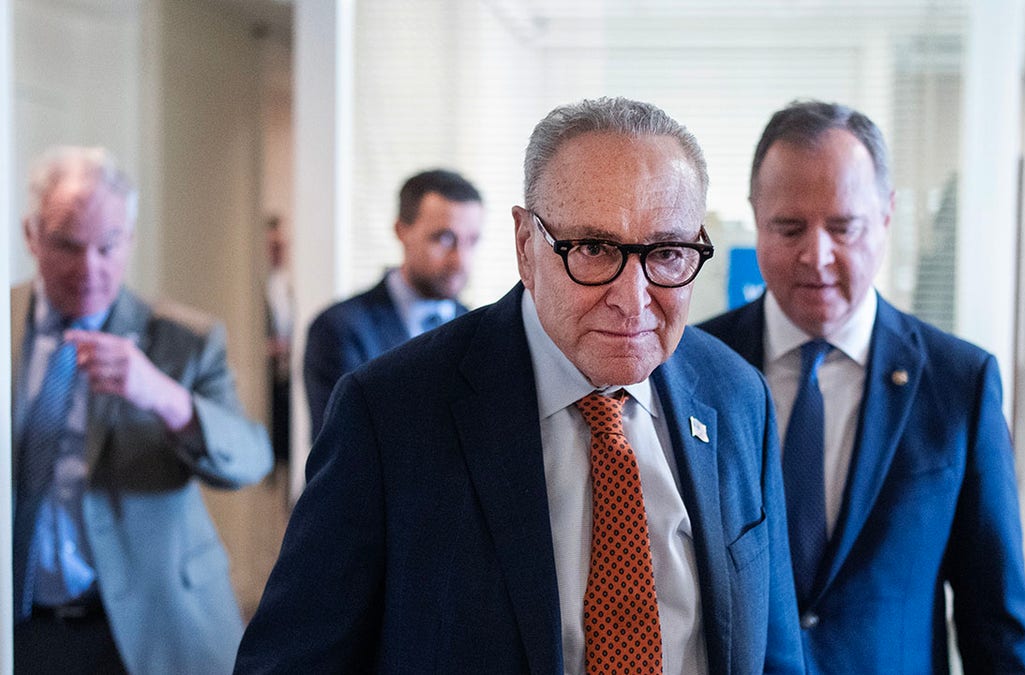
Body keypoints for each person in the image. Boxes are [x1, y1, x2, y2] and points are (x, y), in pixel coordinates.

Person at [236, 97, 803, 673]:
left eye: (668, 253)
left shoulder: (736, 396)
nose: (633, 300)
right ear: (526, 245)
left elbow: (775, 652)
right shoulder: (390, 413)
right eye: (593, 248)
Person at [698, 101, 1025, 673]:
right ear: (756, 218)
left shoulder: (960, 384)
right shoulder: (693, 371)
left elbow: (995, 621)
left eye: (843, 226)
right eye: (789, 227)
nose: (817, 254)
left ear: (886, 217)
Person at [11, 146, 273, 674]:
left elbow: (250, 459)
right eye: (67, 245)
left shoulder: (184, 339)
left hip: (153, 628)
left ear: (129, 240)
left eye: (108, 247)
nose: (90, 268)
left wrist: (162, 395)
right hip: (21, 627)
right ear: (32, 236)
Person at [303, 169, 484, 436]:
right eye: (444, 239)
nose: (460, 261)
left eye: (471, 241)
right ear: (401, 231)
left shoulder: (481, 331)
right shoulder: (340, 329)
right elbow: (343, 447)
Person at [265, 215, 293, 466]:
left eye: (282, 246)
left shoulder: (289, 285)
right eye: (273, 246)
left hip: (286, 379)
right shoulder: (256, 286)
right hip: (264, 380)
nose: (279, 252)